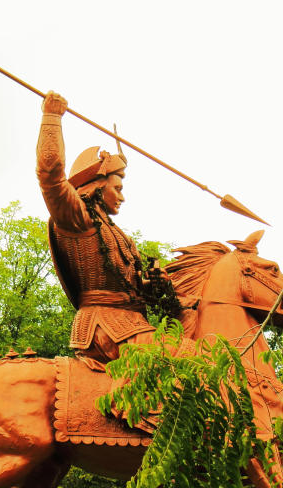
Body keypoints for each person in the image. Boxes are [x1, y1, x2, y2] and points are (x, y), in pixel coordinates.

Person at [37, 91, 172, 370]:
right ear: (99, 185)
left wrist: (155, 284)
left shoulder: (117, 233)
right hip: (106, 326)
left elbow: (130, 286)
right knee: (177, 360)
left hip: (133, 324)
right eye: (118, 189)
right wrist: (52, 117)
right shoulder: (78, 217)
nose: (122, 197)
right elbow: (50, 175)